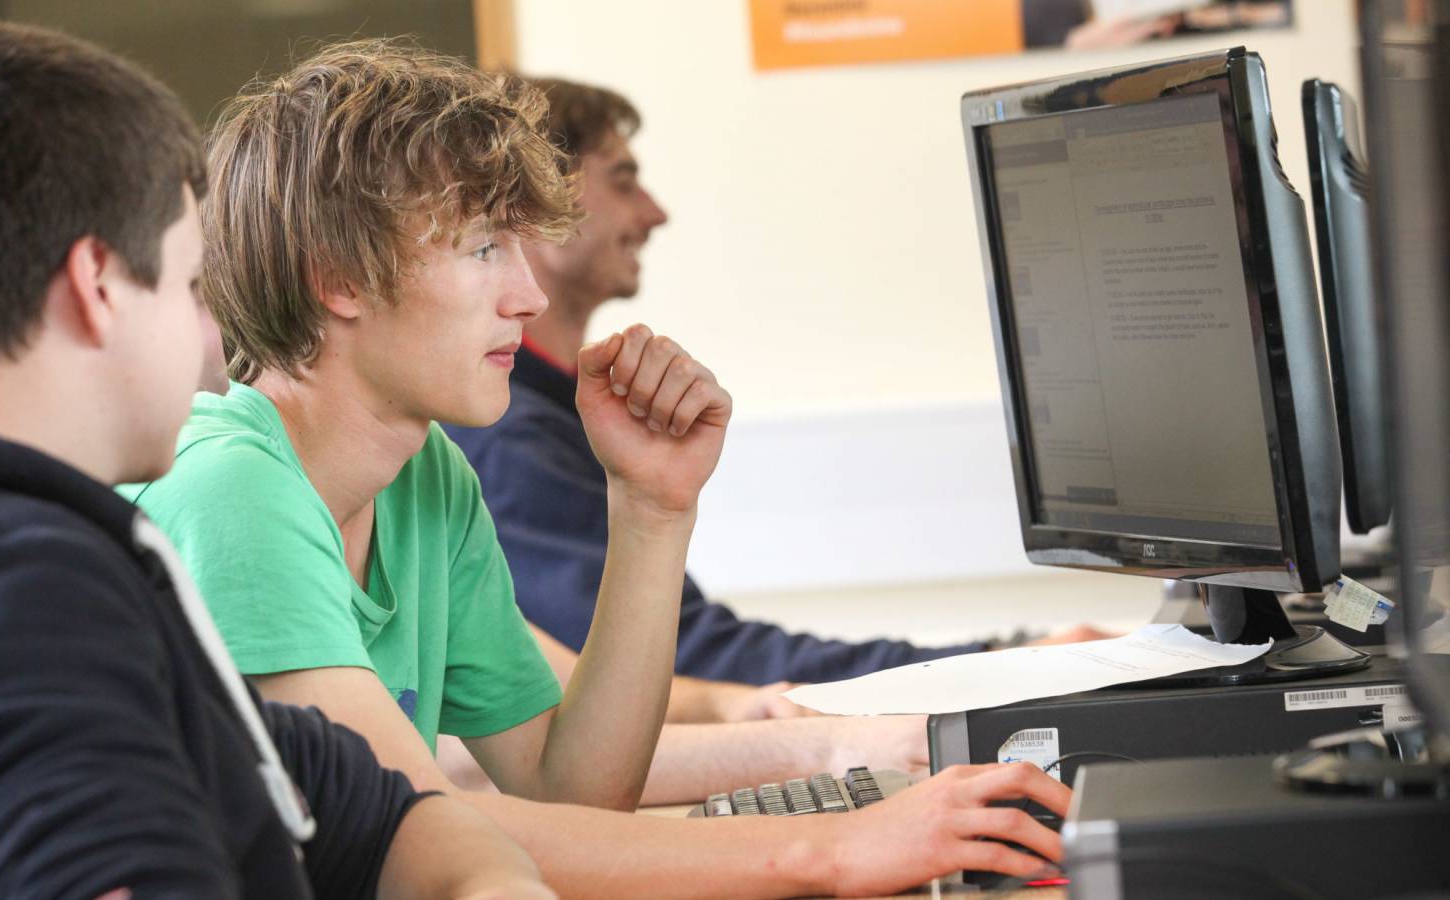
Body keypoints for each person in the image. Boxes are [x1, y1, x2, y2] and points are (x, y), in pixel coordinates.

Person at [128, 37, 1071, 895]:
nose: (528, 294)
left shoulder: (427, 480)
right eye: (484, 247)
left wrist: (652, 510)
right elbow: (410, 836)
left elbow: (570, 782)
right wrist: (831, 850)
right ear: (334, 274)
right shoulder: (233, 488)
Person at [0, 21, 550, 899]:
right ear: (97, 287)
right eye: (189, 287)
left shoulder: (34, 552)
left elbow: (376, 810)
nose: (212, 335)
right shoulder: (17, 592)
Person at [442, 76, 1107, 686]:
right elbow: (685, 665)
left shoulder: (552, 415)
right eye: (623, 181)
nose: (654, 213)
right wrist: (989, 668)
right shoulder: (508, 441)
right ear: (538, 203)